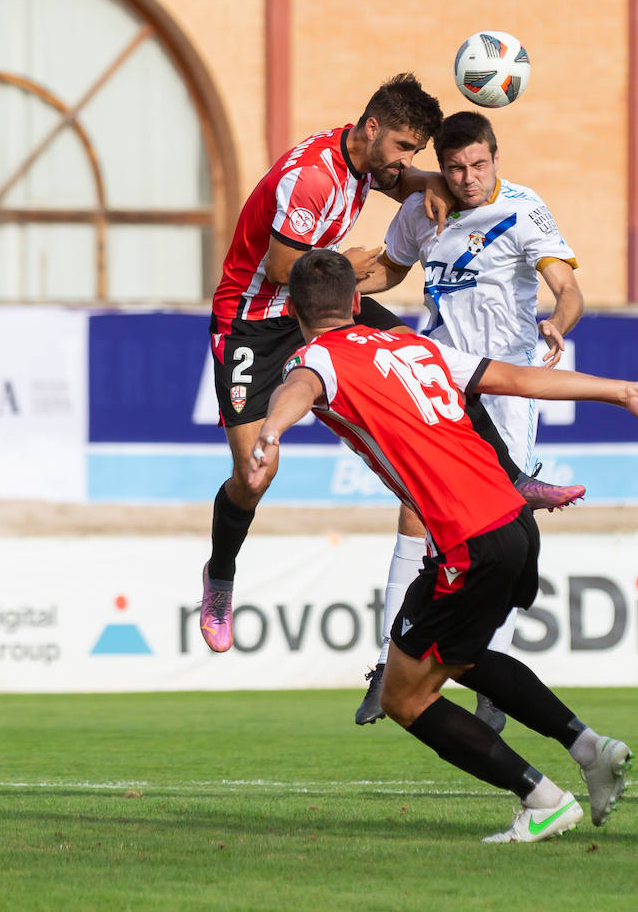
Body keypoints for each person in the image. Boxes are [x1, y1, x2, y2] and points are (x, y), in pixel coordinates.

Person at [247, 249, 638, 841]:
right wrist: (620, 391)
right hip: (513, 521)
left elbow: (300, 385)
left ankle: (543, 800)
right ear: (356, 302)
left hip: (468, 538)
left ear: (296, 311)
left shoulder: (317, 357)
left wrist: (272, 431)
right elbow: (522, 378)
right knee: (460, 656)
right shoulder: (418, 348)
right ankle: (590, 749)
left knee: (405, 695)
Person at [198, 77, 580, 660]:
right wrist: (343, 264)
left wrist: (441, 187)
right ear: (372, 129)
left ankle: (513, 477)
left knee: (431, 363)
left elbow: (406, 179)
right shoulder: (314, 177)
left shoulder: (366, 162)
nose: (405, 162)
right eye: (404, 147)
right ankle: (220, 577)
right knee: (253, 478)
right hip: (255, 319)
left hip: (323, 306)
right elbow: (279, 269)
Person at [353, 111, 588, 729]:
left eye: (477, 165)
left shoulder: (523, 208)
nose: (466, 178)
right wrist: (337, 278)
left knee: (495, 524)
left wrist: (558, 322)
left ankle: (487, 669)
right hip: (440, 383)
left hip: (504, 387)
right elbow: (390, 271)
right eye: (455, 167)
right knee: (414, 508)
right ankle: (386, 666)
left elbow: (567, 288)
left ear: (495, 158)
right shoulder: (424, 210)